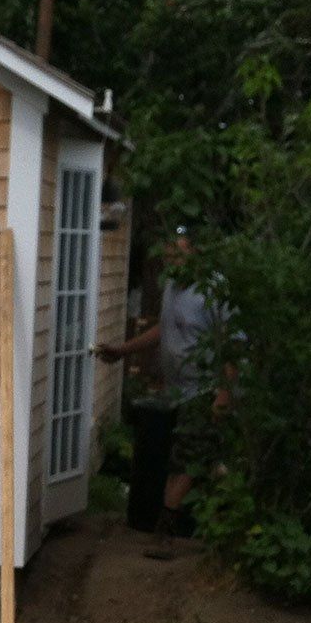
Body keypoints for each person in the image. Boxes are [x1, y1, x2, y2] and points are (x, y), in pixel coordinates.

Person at [96, 227, 231, 544]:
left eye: (179, 253)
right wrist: (123, 351)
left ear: (197, 254)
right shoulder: (172, 286)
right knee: (197, 458)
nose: (172, 261)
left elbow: (232, 346)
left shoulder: (215, 291)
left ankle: (165, 529)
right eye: (169, 254)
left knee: (188, 458)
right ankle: (220, 515)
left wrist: (224, 394)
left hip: (205, 389)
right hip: (176, 390)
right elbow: (163, 328)